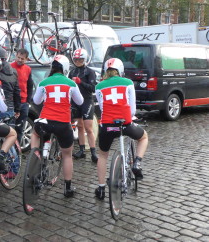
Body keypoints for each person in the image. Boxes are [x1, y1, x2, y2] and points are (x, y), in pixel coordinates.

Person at [94, 58, 148, 200]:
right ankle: (136, 162)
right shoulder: (128, 83)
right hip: (125, 124)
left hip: (107, 126)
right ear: (121, 70)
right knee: (143, 137)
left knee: (103, 155)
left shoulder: (99, 86)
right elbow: (132, 109)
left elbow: (102, 107)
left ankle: (100, 188)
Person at [31, 55, 84, 198]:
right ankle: (68, 188)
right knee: (67, 155)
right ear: (65, 68)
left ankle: (34, 156)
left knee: (35, 134)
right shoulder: (71, 83)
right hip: (62, 123)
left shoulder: (44, 82)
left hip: (45, 121)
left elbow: (36, 100)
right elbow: (80, 102)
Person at [68, 48, 98, 163]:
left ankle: (93, 152)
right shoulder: (72, 72)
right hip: (75, 101)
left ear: (84, 59)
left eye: (80, 60)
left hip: (86, 100)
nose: (78, 61)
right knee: (79, 126)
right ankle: (81, 150)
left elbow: (93, 88)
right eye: (76, 59)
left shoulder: (90, 72)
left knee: (88, 128)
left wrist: (80, 82)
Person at [0, 46, 21, 120]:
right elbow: (17, 92)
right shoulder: (14, 71)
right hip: (10, 108)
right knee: (11, 130)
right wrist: (17, 109)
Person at [11, 48, 34, 144]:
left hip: (23, 102)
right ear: (15, 56)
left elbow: (30, 85)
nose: (20, 60)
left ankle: (17, 151)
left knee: (20, 128)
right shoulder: (10, 67)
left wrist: (28, 100)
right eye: (18, 57)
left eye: (22, 58)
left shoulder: (28, 69)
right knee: (11, 128)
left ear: (26, 59)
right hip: (12, 101)